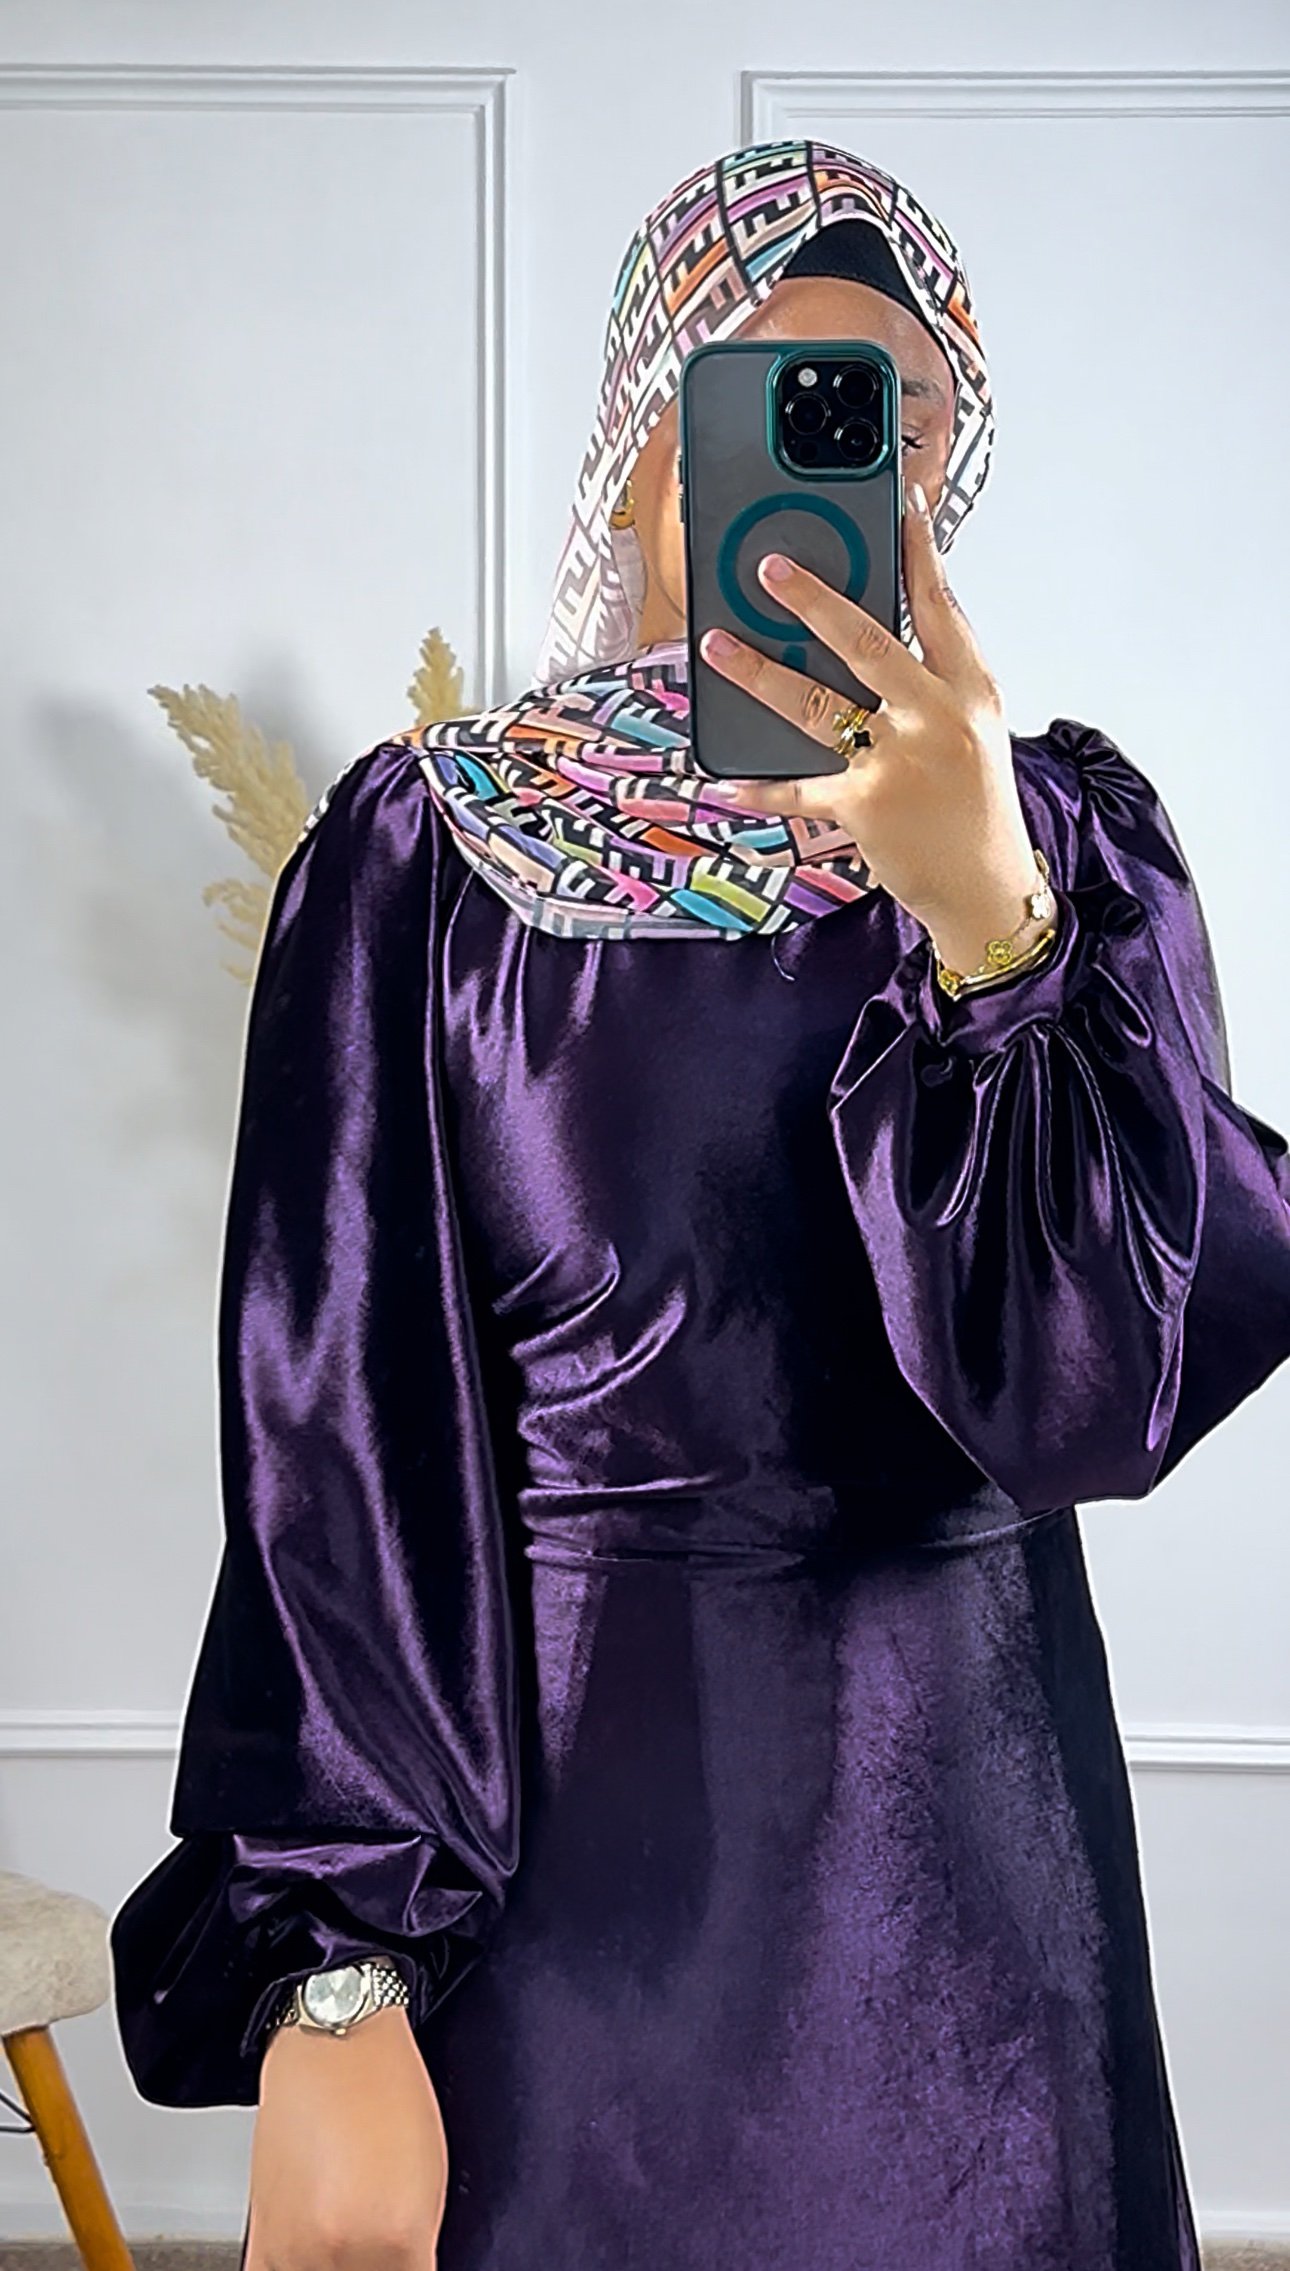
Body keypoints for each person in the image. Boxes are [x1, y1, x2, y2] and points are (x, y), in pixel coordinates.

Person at [110, 138, 1290, 2271]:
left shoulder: (1070, 851)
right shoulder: (426, 868)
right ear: (645, 445)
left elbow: (1099, 1396)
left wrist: (990, 921)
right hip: (574, 1904)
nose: (851, 471)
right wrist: (337, 1972)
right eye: (777, 402)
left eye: (905, 427)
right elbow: (339, 1458)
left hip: (979, 1892)